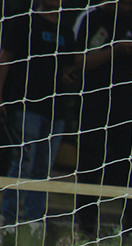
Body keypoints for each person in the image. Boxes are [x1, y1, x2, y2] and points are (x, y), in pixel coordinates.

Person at [72, 0, 132, 239]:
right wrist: (114, 50)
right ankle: (86, 224)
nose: (127, 6)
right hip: (95, 105)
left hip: (127, 107)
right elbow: (78, 61)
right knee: (90, 162)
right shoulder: (90, 18)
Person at [0, 0, 79, 225]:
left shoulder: (66, 31)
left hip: (56, 110)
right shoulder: (24, 22)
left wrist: (69, 76)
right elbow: (5, 57)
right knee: (23, 160)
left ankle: (34, 217)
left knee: (44, 166)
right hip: (26, 105)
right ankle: (9, 216)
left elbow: (70, 65)